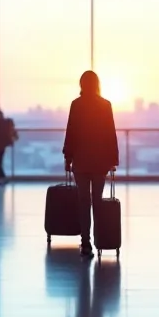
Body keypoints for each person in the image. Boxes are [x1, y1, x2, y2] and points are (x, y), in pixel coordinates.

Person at [63, 70, 119, 258]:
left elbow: (71, 132)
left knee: (83, 201)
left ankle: (85, 242)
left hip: (81, 160)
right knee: (97, 201)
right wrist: (112, 160)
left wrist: (68, 157)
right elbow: (110, 134)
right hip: (99, 161)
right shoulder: (105, 105)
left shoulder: (76, 105)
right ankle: (99, 240)